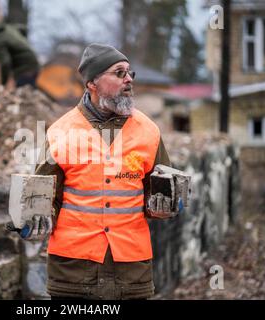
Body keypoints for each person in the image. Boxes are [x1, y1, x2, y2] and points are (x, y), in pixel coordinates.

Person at [22, 43, 183, 300]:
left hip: (131, 272)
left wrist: (168, 203)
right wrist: (31, 220)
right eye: (119, 73)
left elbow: (160, 195)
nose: (129, 79)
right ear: (92, 84)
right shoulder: (60, 132)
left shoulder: (149, 130)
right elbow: (43, 199)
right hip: (73, 272)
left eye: (130, 73)